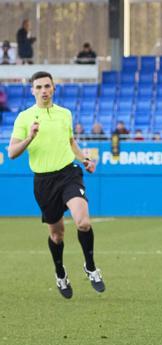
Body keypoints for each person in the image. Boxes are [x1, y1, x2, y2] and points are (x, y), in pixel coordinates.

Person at [7, 71, 105, 298]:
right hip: (44, 181)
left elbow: (70, 141)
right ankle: (60, 273)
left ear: (53, 89)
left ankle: (90, 267)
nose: (43, 91)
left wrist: (84, 159)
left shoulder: (65, 114)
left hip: (68, 174)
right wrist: (30, 137)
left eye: (47, 86)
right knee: (57, 236)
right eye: (39, 87)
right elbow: (11, 153)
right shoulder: (24, 118)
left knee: (83, 222)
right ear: (32, 90)